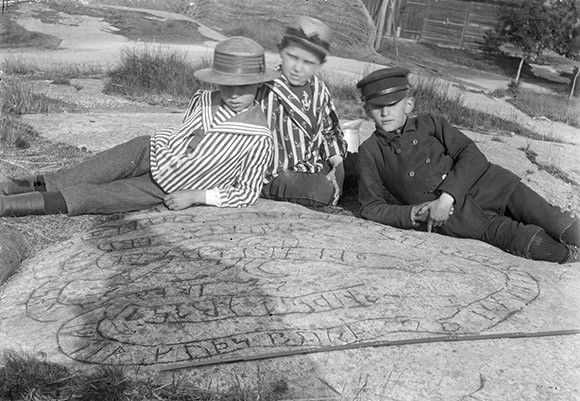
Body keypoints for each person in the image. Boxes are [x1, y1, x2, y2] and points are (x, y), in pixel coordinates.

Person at [0, 37, 279, 217]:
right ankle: (12, 187)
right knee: (85, 172)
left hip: (166, 187)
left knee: (91, 196)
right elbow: (185, 134)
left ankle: (9, 207)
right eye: (226, 84)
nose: (233, 94)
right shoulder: (204, 99)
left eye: (243, 87)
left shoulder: (258, 137)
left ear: (259, 84)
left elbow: (246, 191)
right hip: (148, 149)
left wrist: (196, 196)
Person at [356, 67, 579, 264]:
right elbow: (370, 207)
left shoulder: (430, 123)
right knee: (533, 243)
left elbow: (472, 155)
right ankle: (571, 256)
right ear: (367, 110)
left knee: (559, 224)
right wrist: (414, 214)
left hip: (495, 187)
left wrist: (446, 197)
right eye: (377, 107)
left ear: (409, 104)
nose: (385, 113)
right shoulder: (370, 151)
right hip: (465, 221)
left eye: (393, 104)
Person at [258, 16, 349, 207]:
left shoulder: (319, 89)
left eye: (308, 62)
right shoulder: (267, 88)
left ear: (320, 65)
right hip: (277, 172)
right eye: (292, 57)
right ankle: (326, 189)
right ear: (281, 51)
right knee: (320, 189)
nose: (298, 68)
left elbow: (329, 131)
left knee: (345, 166)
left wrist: (335, 163)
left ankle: (332, 182)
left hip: (312, 164)